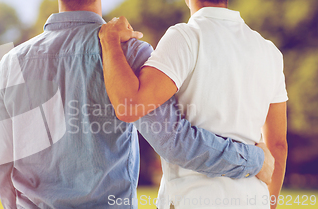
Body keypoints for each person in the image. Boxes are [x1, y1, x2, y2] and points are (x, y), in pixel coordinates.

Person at [0, 0, 274, 208]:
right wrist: (254, 159)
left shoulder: (10, 64)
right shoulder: (129, 52)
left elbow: (6, 166)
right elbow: (174, 141)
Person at [98, 0, 287, 208]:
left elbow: (130, 106)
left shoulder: (186, 37)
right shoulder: (270, 53)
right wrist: (268, 202)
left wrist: (110, 42)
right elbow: (278, 145)